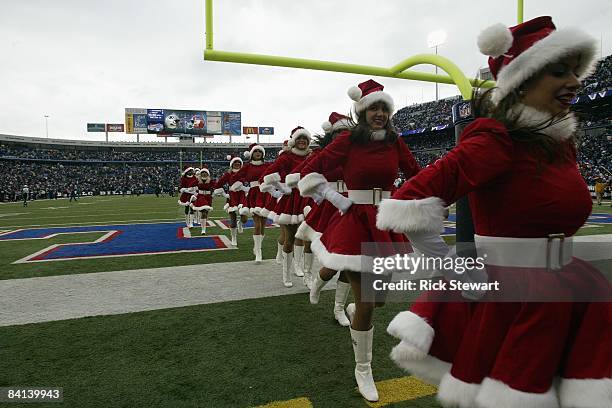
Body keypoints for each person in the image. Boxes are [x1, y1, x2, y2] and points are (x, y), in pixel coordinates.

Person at [377, 16, 611, 408]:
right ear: (521, 79)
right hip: (513, 295)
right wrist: (450, 265)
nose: (574, 81)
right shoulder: (496, 139)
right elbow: (407, 200)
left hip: (568, 283)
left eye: (575, 70)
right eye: (559, 71)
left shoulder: (558, 142)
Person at [297, 80, 420, 402]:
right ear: (362, 111)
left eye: (384, 108)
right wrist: (333, 197)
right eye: (373, 108)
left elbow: (415, 173)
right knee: (368, 302)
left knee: (376, 300)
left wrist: (422, 198)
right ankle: (363, 368)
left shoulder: (396, 141)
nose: (379, 114)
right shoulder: (349, 140)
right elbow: (309, 171)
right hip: (355, 222)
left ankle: (346, 302)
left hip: (386, 222)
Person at [294, 112, 353, 324]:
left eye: (346, 131)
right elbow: (304, 176)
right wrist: (322, 194)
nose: (342, 136)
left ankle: (339, 308)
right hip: (331, 206)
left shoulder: (359, 152)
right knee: (334, 259)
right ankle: (317, 282)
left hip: (355, 208)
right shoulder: (323, 153)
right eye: (337, 132)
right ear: (330, 134)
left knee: (350, 262)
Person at [261, 127, 313, 288]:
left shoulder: (313, 156)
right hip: (290, 201)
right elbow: (267, 175)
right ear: (293, 141)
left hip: (308, 199)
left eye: (305, 138)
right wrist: (280, 189)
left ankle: (305, 274)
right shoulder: (286, 157)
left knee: (308, 239)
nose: (302, 141)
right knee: (289, 238)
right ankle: (286, 273)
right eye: (299, 138)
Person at [230, 144, 270, 263]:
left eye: (259, 151)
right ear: (252, 153)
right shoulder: (247, 166)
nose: (257, 153)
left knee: (263, 224)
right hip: (254, 195)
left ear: (263, 154)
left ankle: (257, 247)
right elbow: (235, 177)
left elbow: (278, 172)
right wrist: (239, 185)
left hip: (265, 193)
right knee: (257, 223)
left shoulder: (268, 165)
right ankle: (258, 252)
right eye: (255, 151)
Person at [214, 155, 248, 246]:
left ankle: (240, 223)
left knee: (244, 219)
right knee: (232, 220)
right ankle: (234, 238)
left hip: (242, 196)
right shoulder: (228, 174)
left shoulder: (244, 173)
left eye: (239, 163)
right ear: (232, 164)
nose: (237, 164)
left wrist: (247, 189)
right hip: (232, 197)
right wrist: (224, 194)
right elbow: (218, 184)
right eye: (235, 162)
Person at [190, 168, 215, 235]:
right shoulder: (198, 180)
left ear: (208, 174)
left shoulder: (211, 181)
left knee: (205, 213)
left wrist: (214, 193)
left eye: (205, 172)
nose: (204, 174)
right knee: (203, 212)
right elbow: (191, 185)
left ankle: (203, 224)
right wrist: (194, 193)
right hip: (201, 197)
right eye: (202, 172)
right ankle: (203, 230)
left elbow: (217, 186)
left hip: (208, 197)